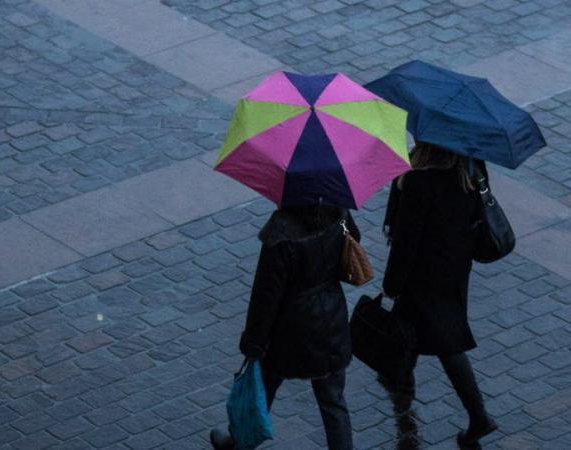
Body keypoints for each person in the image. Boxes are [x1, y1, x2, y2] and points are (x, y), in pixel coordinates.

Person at [210, 205, 360, 450]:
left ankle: (239, 441)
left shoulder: (281, 230)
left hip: (290, 328)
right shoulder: (338, 209)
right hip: (331, 318)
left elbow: (266, 294)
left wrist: (254, 343)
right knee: (333, 401)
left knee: (263, 385)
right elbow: (355, 240)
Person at [381, 142, 497, 448]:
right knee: (420, 335)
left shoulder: (419, 180)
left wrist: (391, 285)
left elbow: (406, 242)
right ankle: (402, 387)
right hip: (454, 270)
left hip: (421, 279)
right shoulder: (471, 168)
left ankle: (474, 416)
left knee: (441, 342)